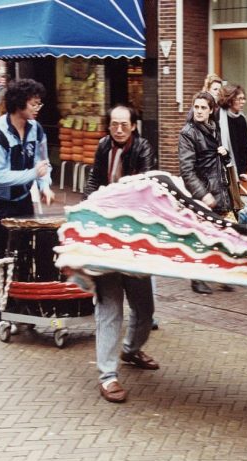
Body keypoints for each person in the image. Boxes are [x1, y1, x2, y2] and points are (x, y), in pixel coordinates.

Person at [83, 104, 158, 403]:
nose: (118, 129)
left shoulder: (143, 148)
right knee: (109, 308)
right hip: (105, 237)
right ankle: (108, 376)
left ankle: (130, 349)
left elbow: (142, 188)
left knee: (144, 308)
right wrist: (88, 206)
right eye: (114, 124)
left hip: (135, 239)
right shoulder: (103, 146)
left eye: (124, 124)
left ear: (133, 126)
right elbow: (93, 180)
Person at [0, 78, 54, 332]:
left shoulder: (36, 129)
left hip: (23, 200)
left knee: (25, 257)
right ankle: (0, 315)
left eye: (39, 103)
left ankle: (24, 312)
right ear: (18, 103)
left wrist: (45, 185)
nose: (38, 107)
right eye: (34, 103)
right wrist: (33, 175)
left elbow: (42, 162)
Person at [178, 91, 233, 295]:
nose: (199, 111)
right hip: (202, 193)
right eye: (196, 107)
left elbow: (217, 160)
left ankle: (219, 274)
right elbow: (187, 170)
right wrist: (202, 194)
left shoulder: (213, 128)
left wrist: (224, 155)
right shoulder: (188, 133)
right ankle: (197, 279)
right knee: (200, 237)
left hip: (218, 188)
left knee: (219, 234)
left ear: (211, 111)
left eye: (203, 108)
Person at [217, 84, 247, 213]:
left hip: (234, 171)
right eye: (239, 98)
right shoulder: (217, 117)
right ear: (230, 99)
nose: (243, 102)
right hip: (219, 171)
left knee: (234, 206)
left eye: (244, 98)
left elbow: (245, 148)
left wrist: (243, 170)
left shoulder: (242, 119)